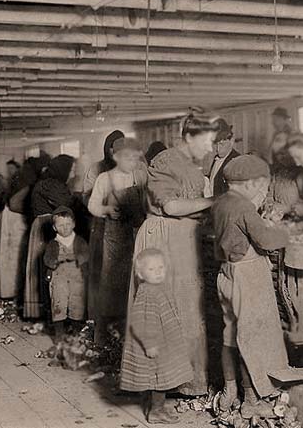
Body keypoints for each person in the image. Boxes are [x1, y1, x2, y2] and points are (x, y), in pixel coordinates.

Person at [130, 114, 217, 396]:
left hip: (184, 237)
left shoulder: (194, 164)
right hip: (164, 237)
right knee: (170, 307)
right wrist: (216, 201)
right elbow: (171, 206)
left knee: (190, 307)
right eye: (206, 142)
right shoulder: (165, 161)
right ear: (189, 138)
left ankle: (190, 380)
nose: (210, 149)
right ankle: (167, 383)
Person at [211, 155, 290, 416]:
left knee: (230, 335)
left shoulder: (221, 202)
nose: (262, 190)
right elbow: (266, 240)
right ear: (250, 183)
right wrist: (281, 228)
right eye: (261, 185)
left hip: (226, 273)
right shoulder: (244, 207)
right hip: (248, 275)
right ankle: (251, 402)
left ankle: (229, 392)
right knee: (251, 340)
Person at [119, 249, 193, 424]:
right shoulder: (147, 293)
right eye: (152, 269)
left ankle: (153, 405)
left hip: (164, 342)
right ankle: (156, 412)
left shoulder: (158, 288)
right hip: (154, 343)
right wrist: (150, 343)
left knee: (162, 376)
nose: (158, 272)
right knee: (159, 378)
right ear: (140, 274)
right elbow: (140, 321)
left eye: (161, 267)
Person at [88, 137, 147, 344]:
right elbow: (92, 205)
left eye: (134, 158)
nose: (131, 161)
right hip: (114, 238)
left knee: (134, 283)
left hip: (136, 235)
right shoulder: (104, 178)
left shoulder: (139, 177)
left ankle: (130, 337)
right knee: (111, 285)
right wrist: (105, 210)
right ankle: (106, 337)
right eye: (127, 157)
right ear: (116, 157)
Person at [25, 154, 76, 319]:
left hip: (42, 224)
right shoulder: (51, 184)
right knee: (49, 268)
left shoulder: (48, 181)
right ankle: (49, 310)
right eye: (72, 169)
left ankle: (46, 309)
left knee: (44, 268)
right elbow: (67, 203)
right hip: (46, 225)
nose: (74, 172)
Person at [82, 130, 124, 320]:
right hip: (100, 226)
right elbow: (86, 198)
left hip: (124, 228)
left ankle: (121, 318)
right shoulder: (96, 169)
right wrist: (104, 207)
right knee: (100, 271)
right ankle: (98, 317)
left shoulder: (134, 168)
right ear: (107, 149)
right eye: (112, 148)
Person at [0, 159, 36, 301]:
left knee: (8, 256)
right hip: (14, 220)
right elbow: (15, 204)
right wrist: (30, 212)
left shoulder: (19, 178)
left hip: (10, 218)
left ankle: (6, 290)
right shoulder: (27, 181)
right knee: (13, 256)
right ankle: (10, 291)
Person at [43, 206, 89, 338]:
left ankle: (75, 332)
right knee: (59, 302)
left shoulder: (79, 241)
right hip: (59, 278)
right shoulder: (53, 244)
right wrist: (53, 262)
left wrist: (79, 258)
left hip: (77, 277)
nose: (65, 228)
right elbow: (47, 258)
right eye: (61, 225)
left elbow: (86, 254)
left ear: (74, 224)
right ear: (54, 228)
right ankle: (59, 333)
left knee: (77, 302)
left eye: (68, 224)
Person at [203, 118, 241, 197]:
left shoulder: (237, 162)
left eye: (221, 144)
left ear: (231, 141)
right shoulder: (216, 158)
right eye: (215, 144)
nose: (217, 149)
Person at [268, 107, 295, 171]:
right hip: (276, 166)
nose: (273, 122)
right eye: (273, 120)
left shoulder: (290, 134)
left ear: (284, 120)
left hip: (287, 168)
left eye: (275, 120)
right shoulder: (276, 133)